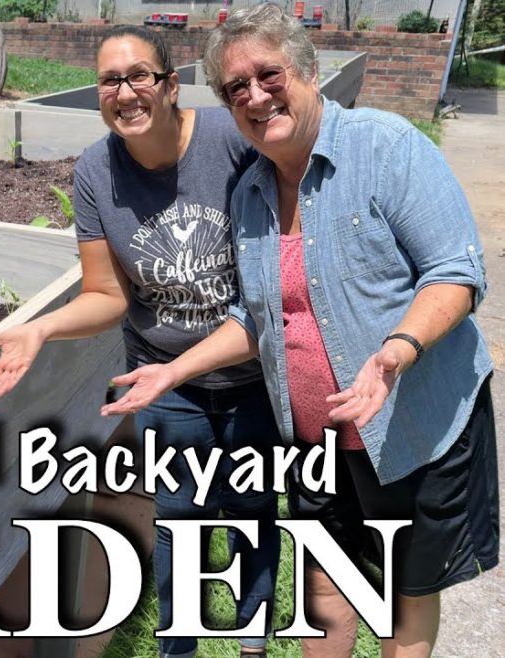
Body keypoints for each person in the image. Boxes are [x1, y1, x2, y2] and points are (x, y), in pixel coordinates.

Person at [103, 5, 500, 657]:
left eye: (268, 74)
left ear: (308, 71)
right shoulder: (252, 191)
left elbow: (456, 272)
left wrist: (395, 353)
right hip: (317, 441)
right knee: (325, 592)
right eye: (237, 89)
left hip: (411, 428)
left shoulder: (386, 147)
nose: (255, 96)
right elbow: (255, 318)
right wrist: (174, 370)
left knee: (404, 599)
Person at [0, 25, 279, 658]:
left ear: (170, 86)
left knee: (251, 508)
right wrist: (41, 326)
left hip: (251, 370)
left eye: (140, 75)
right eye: (110, 80)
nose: (125, 92)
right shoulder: (96, 170)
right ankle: (179, 647)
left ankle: (253, 636)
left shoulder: (228, 143)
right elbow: (107, 296)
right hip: (161, 376)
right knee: (179, 519)